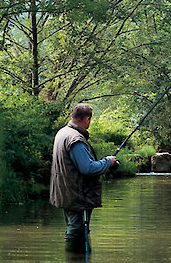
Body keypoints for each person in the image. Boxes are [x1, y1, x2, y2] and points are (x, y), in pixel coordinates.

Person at [50, 103, 116, 253]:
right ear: (87, 120)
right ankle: (74, 258)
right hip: (76, 194)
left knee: (75, 228)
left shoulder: (62, 132)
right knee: (76, 231)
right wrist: (108, 162)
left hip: (64, 191)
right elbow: (87, 168)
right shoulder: (76, 139)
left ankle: (75, 257)